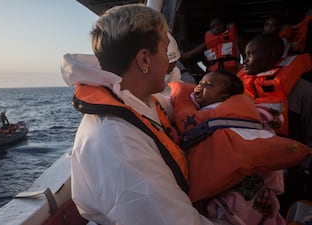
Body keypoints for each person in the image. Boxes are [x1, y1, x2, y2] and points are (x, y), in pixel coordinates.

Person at [61, 4, 229, 225]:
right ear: (144, 60)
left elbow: (171, 104)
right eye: (165, 51)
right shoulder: (115, 141)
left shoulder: (140, 99)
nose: (171, 63)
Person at [169, 71, 310, 225]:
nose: (199, 87)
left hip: (250, 178)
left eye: (208, 85)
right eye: (200, 83)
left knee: (260, 212)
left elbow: (265, 124)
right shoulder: (194, 111)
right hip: (220, 182)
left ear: (224, 96)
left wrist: (274, 120)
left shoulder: (243, 110)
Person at [238, 33, 312, 146]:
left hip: (290, 156)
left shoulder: (304, 90)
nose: (245, 60)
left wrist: (304, 163)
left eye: (250, 54)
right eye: (245, 55)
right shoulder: (238, 89)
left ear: (271, 54)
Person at [180, 17, 245, 75]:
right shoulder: (206, 44)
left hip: (234, 72)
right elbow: (189, 54)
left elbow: (245, 54)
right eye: (213, 26)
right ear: (210, 29)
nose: (217, 27)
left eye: (219, 24)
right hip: (215, 74)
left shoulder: (236, 39)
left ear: (224, 25)